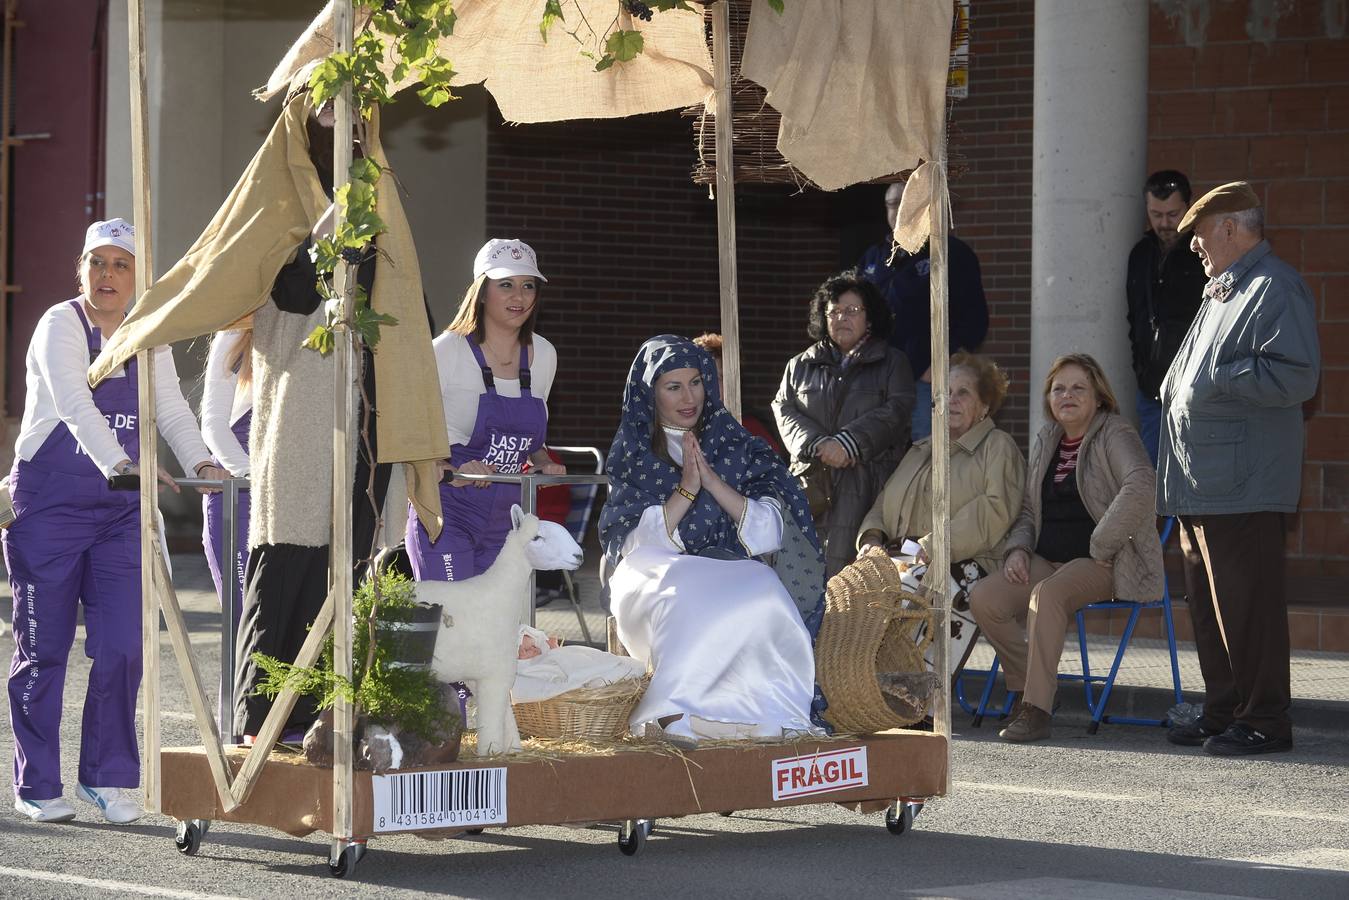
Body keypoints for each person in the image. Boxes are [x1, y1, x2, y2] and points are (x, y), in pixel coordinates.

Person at [4, 220, 223, 824]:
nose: (107, 275)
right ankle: (37, 782)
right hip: (49, 504)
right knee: (43, 649)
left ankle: (106, 777)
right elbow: (74, 400)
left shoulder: (148, 334)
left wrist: (204, 457)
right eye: (97, 263)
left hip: (121, 513)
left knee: (126, 646)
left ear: (138, 276)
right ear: (82, 270)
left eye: (121, 264)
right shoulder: (59, 325)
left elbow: (171, 410)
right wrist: (120, 462)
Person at [600, 336, 825, 745]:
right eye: (674, 387)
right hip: (653, 573)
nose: (689, 397)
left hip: (726, 567)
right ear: (651, 393)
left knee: (765, 589)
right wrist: (686, 489)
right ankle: (674, 709)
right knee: (685, 595)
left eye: (697, 382)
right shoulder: (633, 452)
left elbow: (774, 528)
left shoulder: (736, 444)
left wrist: (715, 484)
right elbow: (630, 543)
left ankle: (764, 710)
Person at [1160, 182, 1320, 756]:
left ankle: (1266, 719)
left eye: (1200, 234)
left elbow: (1298, 376)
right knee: (1211, 608)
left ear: (1230, 227)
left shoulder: (1274, 287)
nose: (1196, 246)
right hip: (1204, 483)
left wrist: (1218, 380)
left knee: (1248, 607)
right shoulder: (1224, 290)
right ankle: (1226, 709)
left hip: (1244, 484)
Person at [969, 354, 1162, 743]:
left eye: (1078, 388)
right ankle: (1031, 687)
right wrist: (1018, 550)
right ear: (1048, 397)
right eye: (1059, 388)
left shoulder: (1114, 432)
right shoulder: (1047, 439)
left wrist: (1101, 542)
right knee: (985, 597)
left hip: (1103, 561)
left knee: (1048, 595)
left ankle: (1036, 711)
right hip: (1048, 560)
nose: (1067, 396)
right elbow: (1027, 509)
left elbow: (1142, 483)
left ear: (1098, 397)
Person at [407, 239, 565, 582]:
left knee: (498, 631)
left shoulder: (545, 355)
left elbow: (530, 441)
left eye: (528, 286)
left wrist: (542, 463)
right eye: (505, 285)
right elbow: (411, 434)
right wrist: (448, 466)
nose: (519, 297)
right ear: (481, 292)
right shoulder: (446, 351)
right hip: (448, 512)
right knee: (452, 626)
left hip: (508, 520)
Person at [773, 273, 915, 578]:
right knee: (799, 573)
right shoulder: (799, 365)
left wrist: (848, 443)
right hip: (810, 484)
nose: (842, 318)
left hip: (868, 485)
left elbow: (897, 410)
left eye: (852, 311)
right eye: (834, 311)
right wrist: (817, 444)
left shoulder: (893, 362)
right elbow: (782, 408)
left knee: (851, 579)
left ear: (870, 316)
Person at [856, 353, 1024, 595]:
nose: (952, 400)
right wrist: (871, 538)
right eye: (946, 392)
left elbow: (994, 511)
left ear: (984, 407)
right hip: (908, 558)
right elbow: (884, 502)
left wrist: (933, 547)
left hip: (967, 567)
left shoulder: (998, 446)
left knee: (895, 597)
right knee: (851, 592)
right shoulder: (921, 449)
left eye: (963, 393)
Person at [859, 181, 988, 440]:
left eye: (906, 202)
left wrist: (942, 362)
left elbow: (975, 320)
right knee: (879, 456)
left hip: (927, 382)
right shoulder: (873, 258)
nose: (899, 209)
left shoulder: (950, 253)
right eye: (892, 204)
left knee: (926, 459)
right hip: (877, 381)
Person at [1126, 170, 1207, 465]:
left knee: (1192, 475)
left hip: (1196, 390)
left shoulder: (1205, 254)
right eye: (1155, 214)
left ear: (1190, 206)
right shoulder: (1140, 254)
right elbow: (1134, 319)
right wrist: (1141, 369)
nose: (1164, 223)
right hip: (1152, 391)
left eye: (1172, 214)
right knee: (1155, 479)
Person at [199, 329, 253, 634]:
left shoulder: (319, 326)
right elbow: (214, 426)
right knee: (245, 627)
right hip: (240, 493)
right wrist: (257, 478)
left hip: (296, 497)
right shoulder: (235, 334)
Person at [691, 332, 785, 457]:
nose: (710, 384)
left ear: (732, 383)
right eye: (701, 378)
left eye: (718, 377)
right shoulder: (675, 424)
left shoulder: (748, 426)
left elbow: (772, 469)